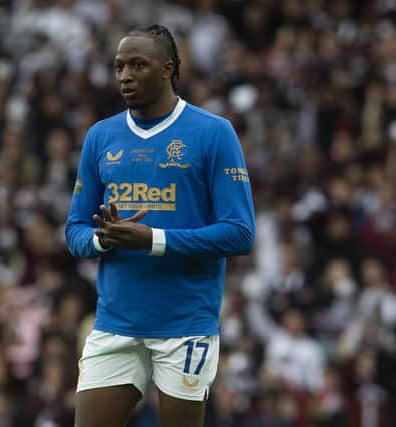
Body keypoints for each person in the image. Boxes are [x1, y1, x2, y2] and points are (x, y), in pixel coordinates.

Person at [65, 24, 255, 427]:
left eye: (138, 65)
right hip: (117, 323)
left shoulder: (213, 133)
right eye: (119, 67)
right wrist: (102, 240)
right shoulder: (101, 137)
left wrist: (154, 240)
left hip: (184, 325)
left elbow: (240, 232)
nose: (125, 76)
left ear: (167, 69)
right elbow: (75, 230)